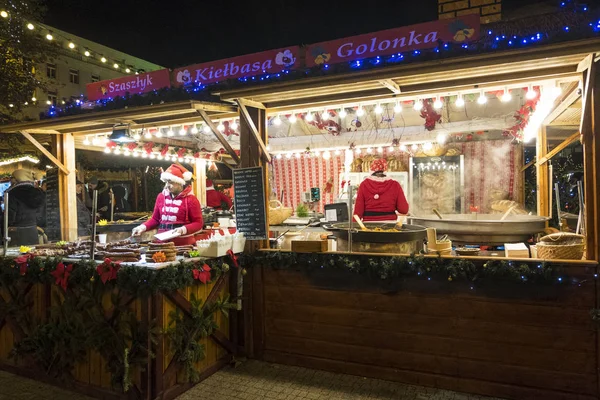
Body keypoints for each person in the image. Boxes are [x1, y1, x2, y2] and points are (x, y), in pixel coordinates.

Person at [132, 164, 203, 246]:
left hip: (183, 244)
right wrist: (142, 227)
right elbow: (155, 219)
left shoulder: (191, 199)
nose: (167, 185)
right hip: (162, 243)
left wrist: (183, 229)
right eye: (166, 182)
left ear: (180, 182)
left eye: (171, 182)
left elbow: (198, 223)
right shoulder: (161, 197)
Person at [6, 169, 46, 245]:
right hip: (33, 230)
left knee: (16, 256)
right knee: (31, 255)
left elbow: (10, 216)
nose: (10, 180)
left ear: (17, 178)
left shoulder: (12, 193)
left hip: (16, 232)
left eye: (12, 177)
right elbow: (40, 214)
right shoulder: (38, 192)